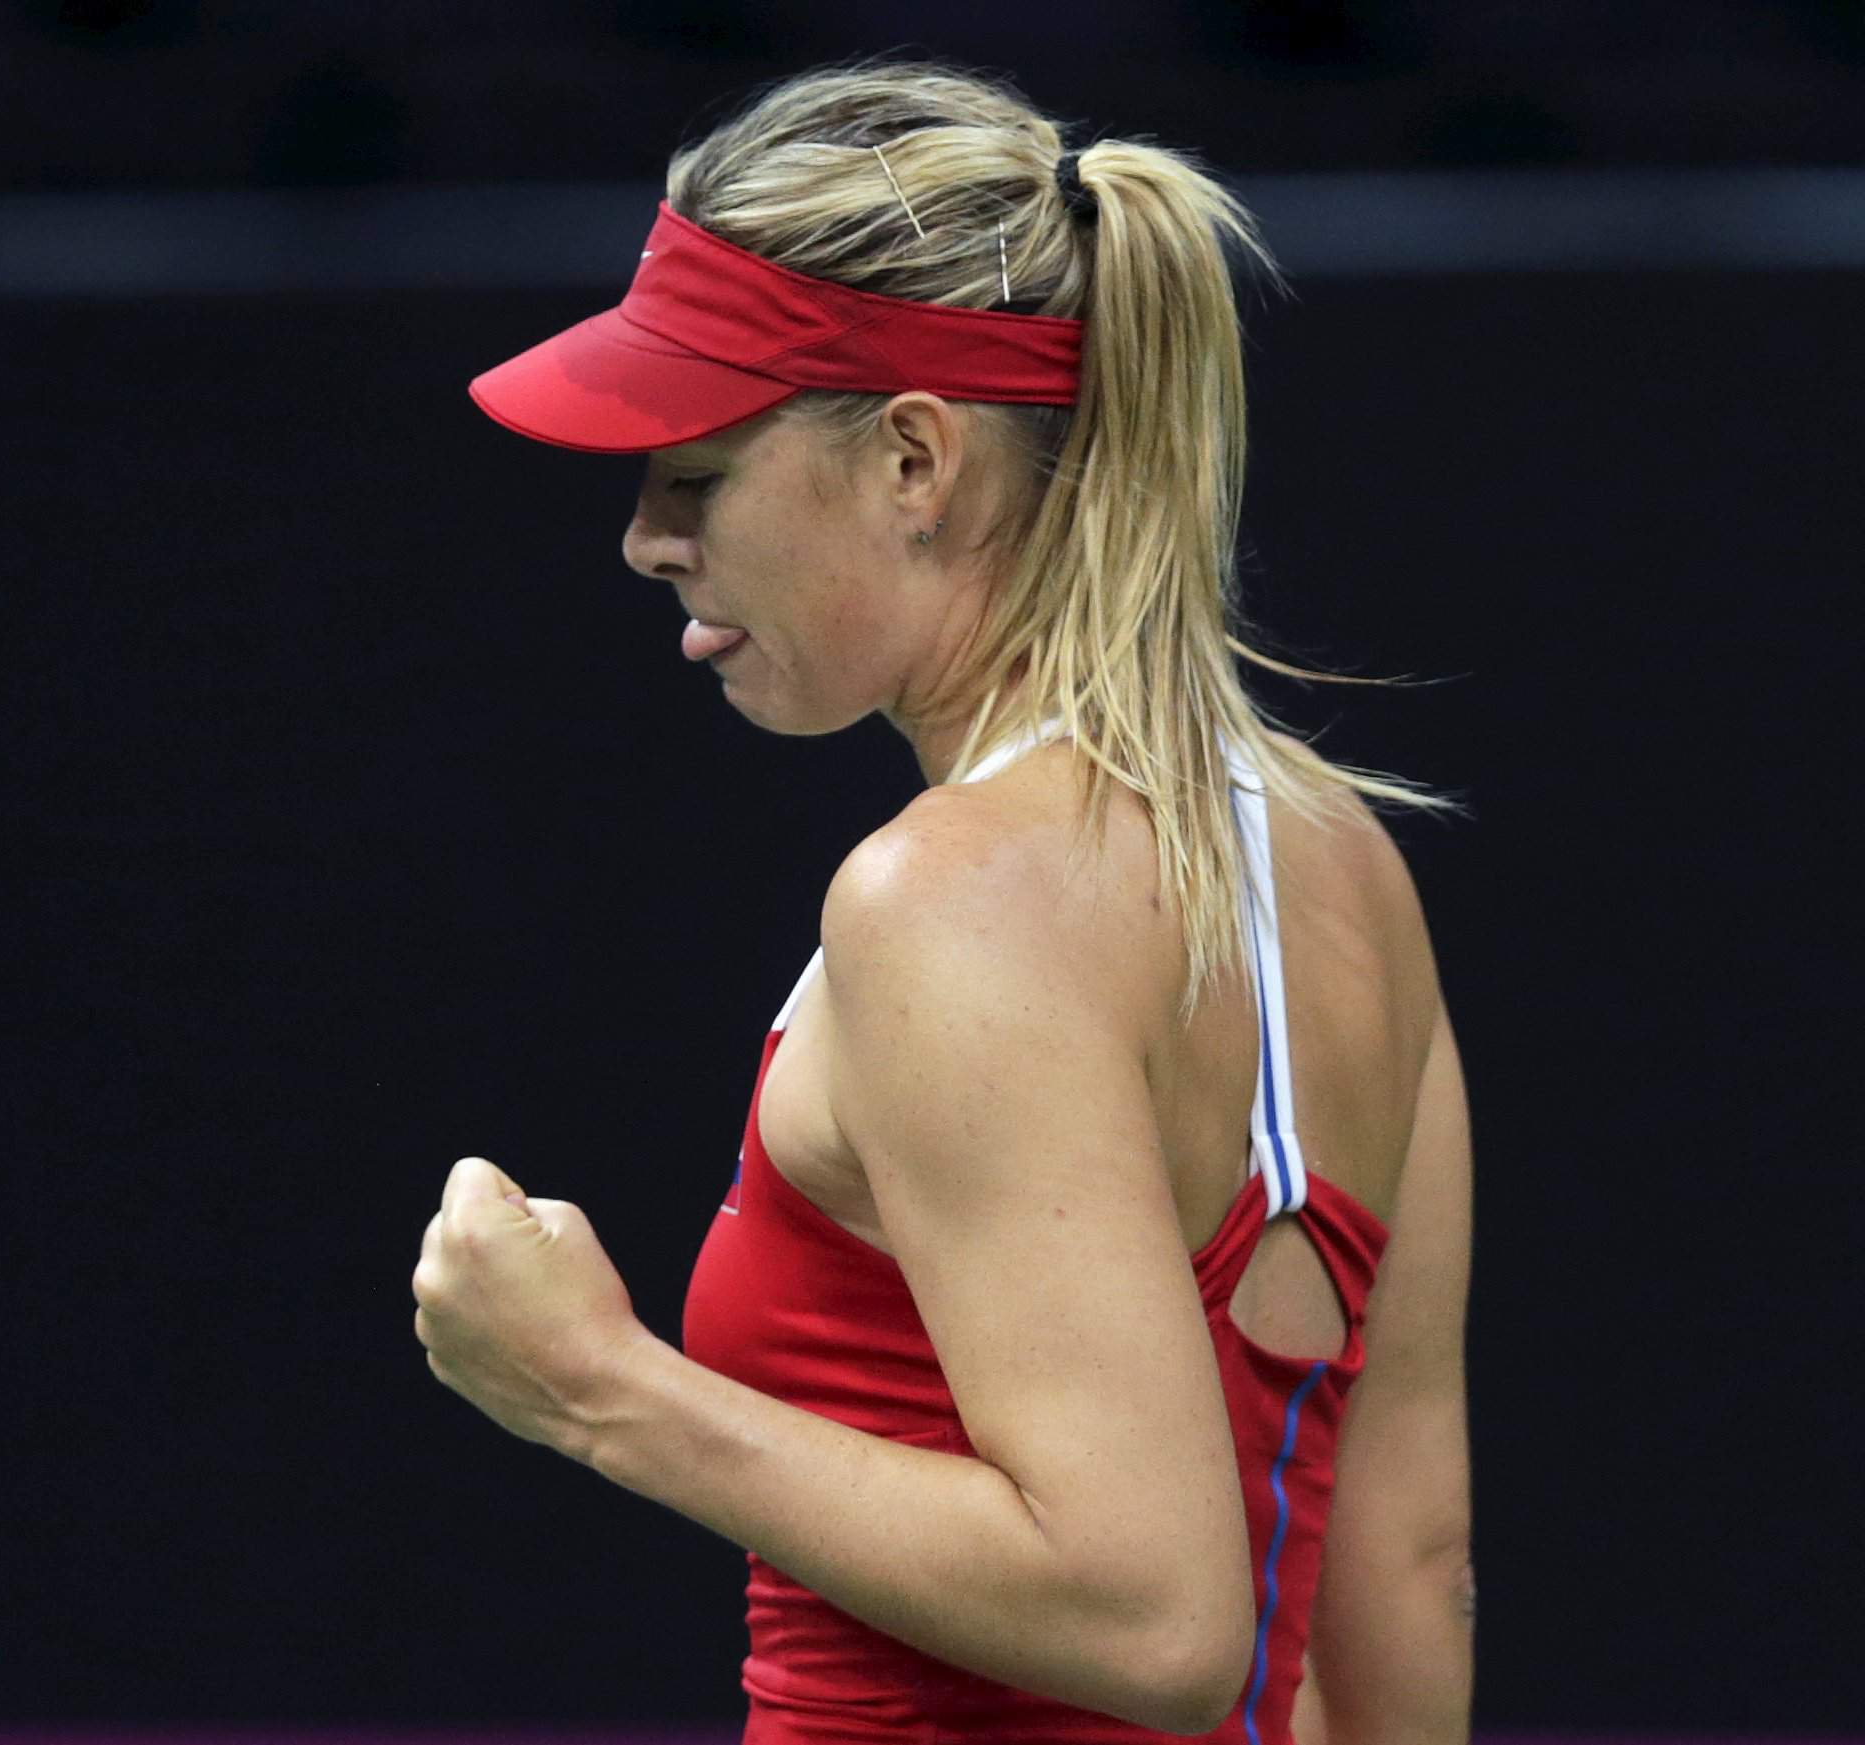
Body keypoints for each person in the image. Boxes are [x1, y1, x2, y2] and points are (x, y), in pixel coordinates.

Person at [410, 57, 1473, 1745]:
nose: (642, 540)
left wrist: (599, 1388)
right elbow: (1408, 1569)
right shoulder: (1341, 857)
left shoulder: (947, 904)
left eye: (697, 477)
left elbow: (1155, 1619)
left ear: (916, 459)